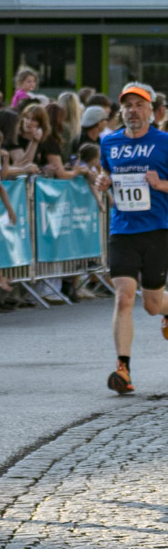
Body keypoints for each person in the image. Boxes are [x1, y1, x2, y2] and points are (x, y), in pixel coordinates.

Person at [94, 82, 168, 394]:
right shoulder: (109, 142)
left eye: (139, 105)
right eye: (127, 106)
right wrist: (103, 182)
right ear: (120, 111)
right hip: (122, 229)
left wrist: (161, 184)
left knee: (152, 304)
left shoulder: (164, 141)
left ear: (151, 110)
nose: (132, 111)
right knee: (124, 296)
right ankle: (122, 368)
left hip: (157, 230)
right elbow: (106, 176)